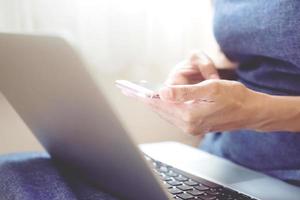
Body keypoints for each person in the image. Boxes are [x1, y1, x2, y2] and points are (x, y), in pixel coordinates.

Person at [0, 0, 299, 199]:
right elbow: (261, 56)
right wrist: (207, 76)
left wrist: (258, 111)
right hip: (222, 161)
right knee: (10, 174)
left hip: (288, 178)